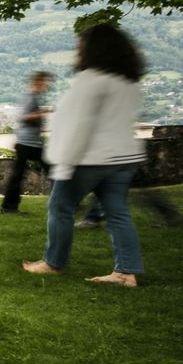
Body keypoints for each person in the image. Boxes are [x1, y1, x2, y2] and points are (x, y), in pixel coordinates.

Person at [24, 24, 148, 287]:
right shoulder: (129, 82)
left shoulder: (91, 80)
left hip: (88, 159)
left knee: (60, 208)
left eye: (80, 46)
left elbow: (78, 124)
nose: (77, 50)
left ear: (93, 49)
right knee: (118, 214)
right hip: (122, 158)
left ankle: (53, 263)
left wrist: (64, 165)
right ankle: (126, 272)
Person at [0, 71, 53, 214]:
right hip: (26, 143)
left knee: (51, 170)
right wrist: (43, 113)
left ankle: (8, 206)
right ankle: (8, 207)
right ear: (38, 83)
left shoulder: (35, 97)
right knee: (19, 175)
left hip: (33, 143)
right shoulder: (29, 98)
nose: (46, 85)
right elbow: (22, 116)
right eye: (44, 82)